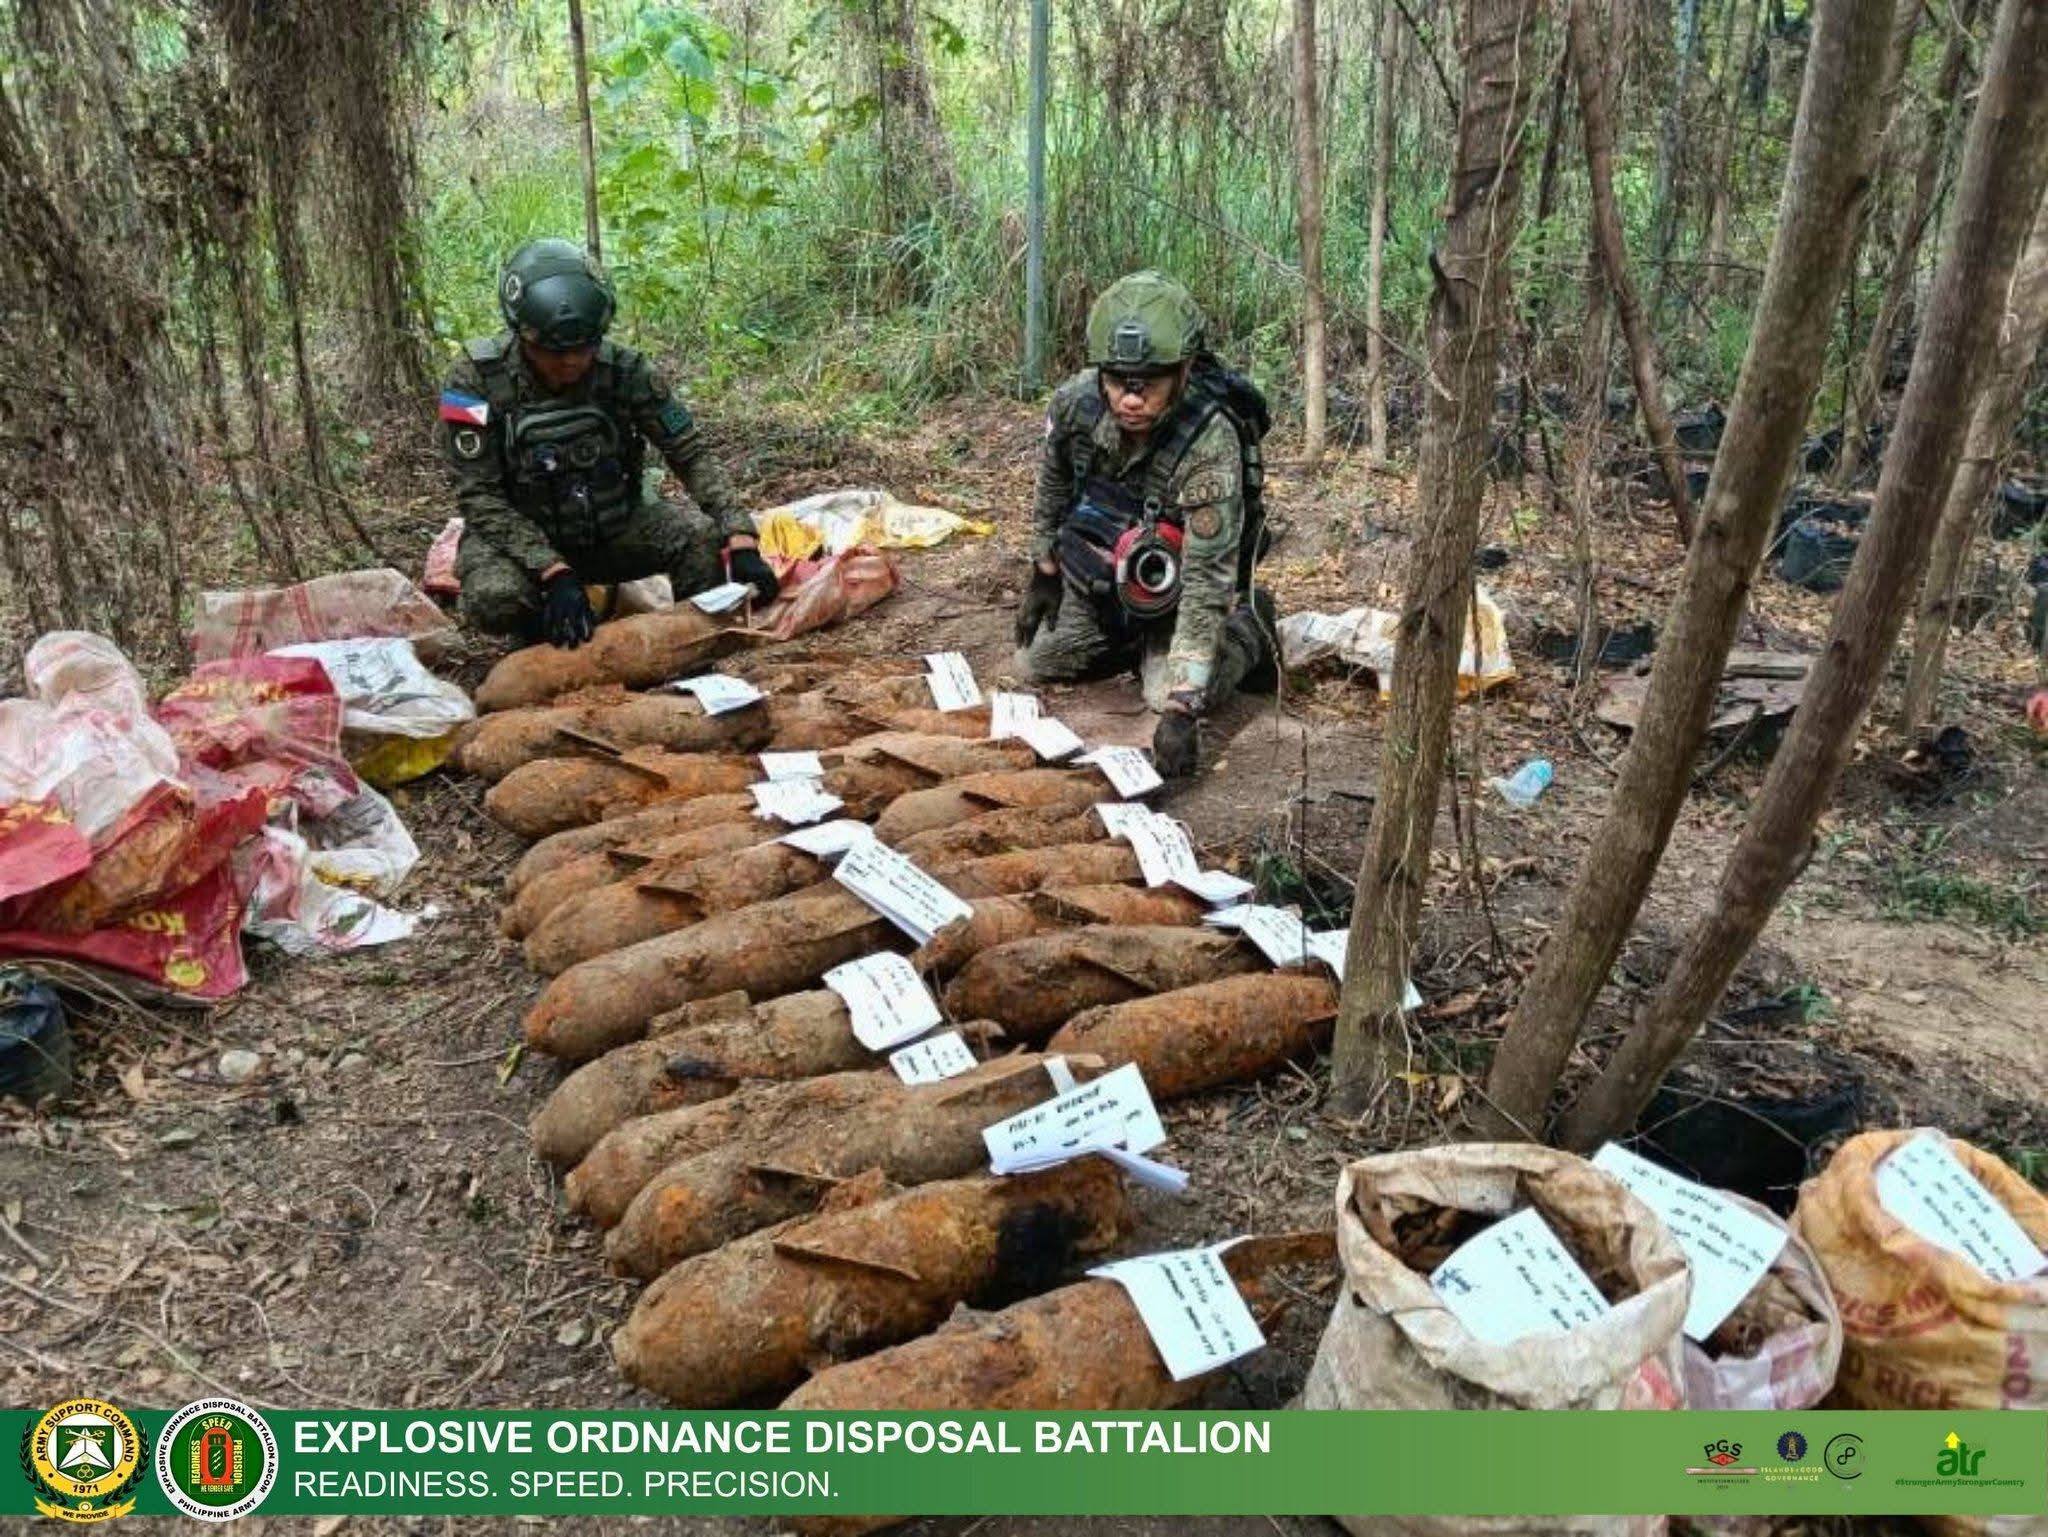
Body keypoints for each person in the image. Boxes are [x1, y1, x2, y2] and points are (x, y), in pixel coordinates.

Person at [439, 239, 778, 648]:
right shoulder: (473, 382)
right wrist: (551, 570)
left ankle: (695, 651)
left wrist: (740, 536)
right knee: (496, 598)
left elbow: (689, 452)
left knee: (699, 540)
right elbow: (479, 496)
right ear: (523, 338)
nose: (572, 364)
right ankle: (540, 640)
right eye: (555, 353)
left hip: (611, 527)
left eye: (585, 349)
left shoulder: (625, 371)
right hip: (524, 541)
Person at [1015, 270, 1276, 778]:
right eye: (1117, 382)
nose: (1130, 400)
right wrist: (1043, 567)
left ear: (1183, 372)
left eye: (1147, 385)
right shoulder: (1076, 403)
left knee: (1164, 692)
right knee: (1035, 663)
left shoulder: (1209, 441)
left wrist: (1183, 707)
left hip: (1177, 596)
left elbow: (1206, 577)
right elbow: (1054, 480)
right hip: (1100, 575)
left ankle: (1249, 630)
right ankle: (1123, 641)